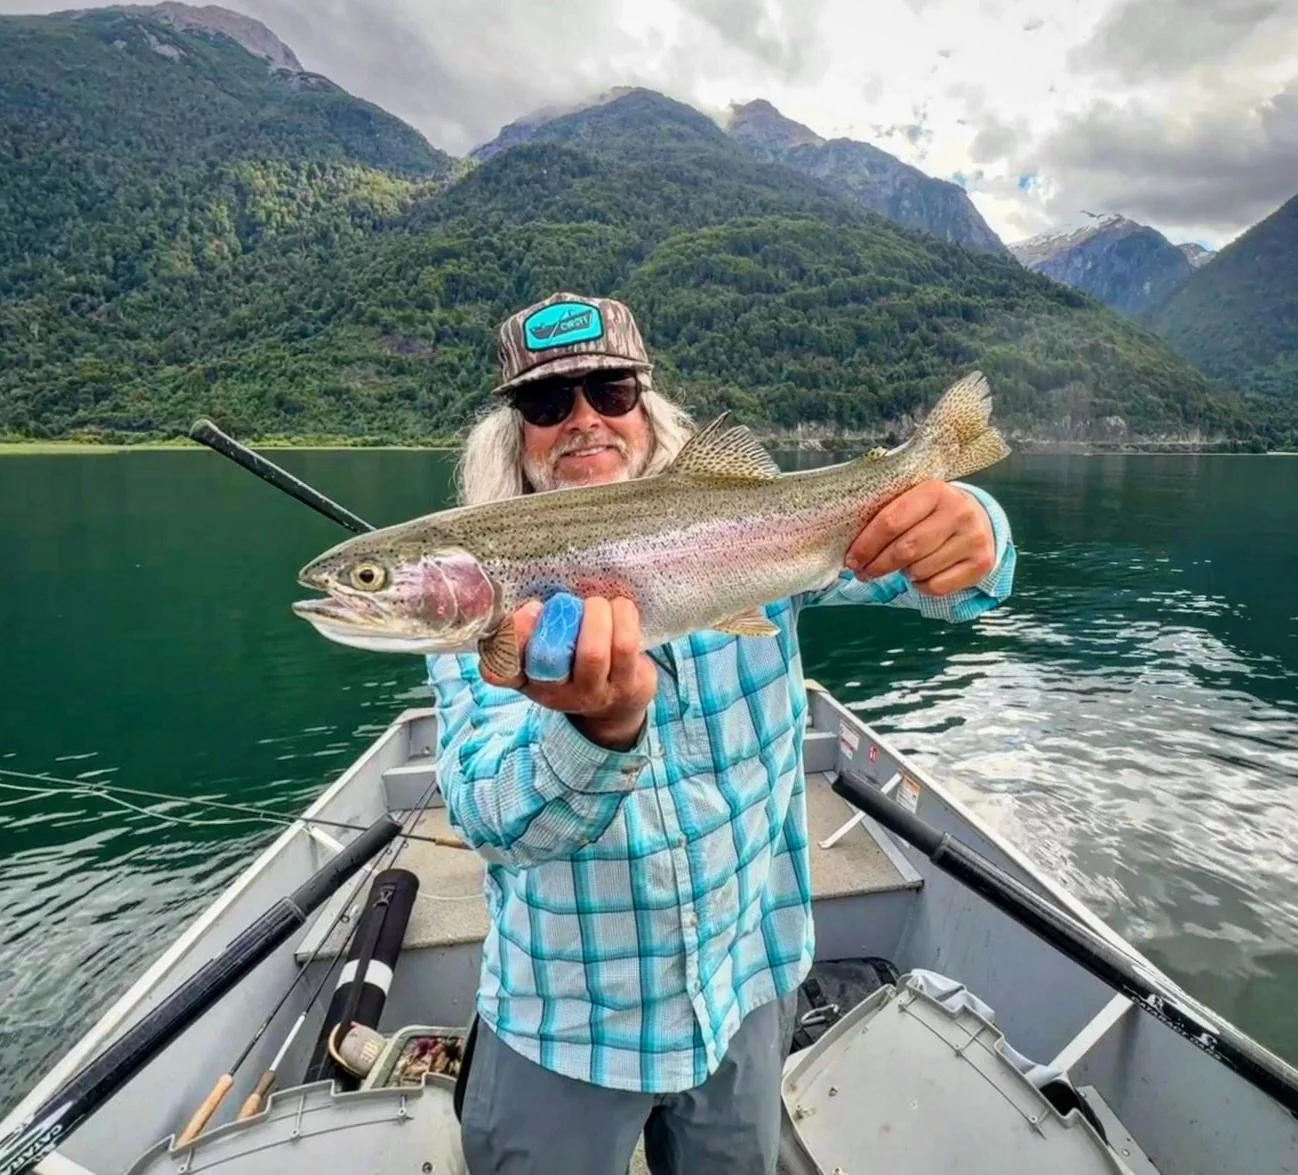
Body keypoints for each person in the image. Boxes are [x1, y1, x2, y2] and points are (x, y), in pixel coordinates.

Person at [427, 292, 1016, 1174]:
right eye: (548, 405)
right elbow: (490, 817)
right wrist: (598, 732)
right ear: (515, 432)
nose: (584, 420)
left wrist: (976, 529)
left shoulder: (755, 523)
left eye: (610, 391)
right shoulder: (482, 599)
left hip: (748, 978)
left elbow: (947, 586)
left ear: (646, 402)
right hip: (567, 1021)